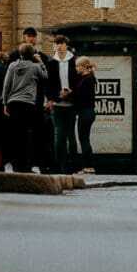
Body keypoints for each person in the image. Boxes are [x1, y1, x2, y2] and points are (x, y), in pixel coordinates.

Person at [8, 27, 52, 171]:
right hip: (25, 100)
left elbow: (46, 80)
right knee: (20, 133)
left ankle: (35, 162)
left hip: (35, 100)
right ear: (24, 37)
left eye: (34, 36)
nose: (32, 38)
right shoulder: (14, 57)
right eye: (29, 36)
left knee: (35, 133)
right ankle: (20, 163)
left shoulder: (41, 57)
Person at [46, 34, 79, 174]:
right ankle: (58, 165)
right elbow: (48, 83)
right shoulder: (51, 62)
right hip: (58, 103)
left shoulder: (74, 61)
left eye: (62, 43)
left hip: (71, 103)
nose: (59, 46)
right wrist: (51, 98)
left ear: (67, 45)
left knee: (71, 135)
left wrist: (70, 93)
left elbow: (78, 81)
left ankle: (73, 166)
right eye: (57, 43)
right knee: (58, 135)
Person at [70, 56, 98, 174]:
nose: (76, 68)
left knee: (84, 139)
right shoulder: (86, 78)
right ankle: (88, 166)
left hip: (86, 112)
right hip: (87, 112)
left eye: (78, 66)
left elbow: (82, 97)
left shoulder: (88, 79)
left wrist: (70, 95)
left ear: (84, 67)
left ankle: (89, 166)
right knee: (84, 138)